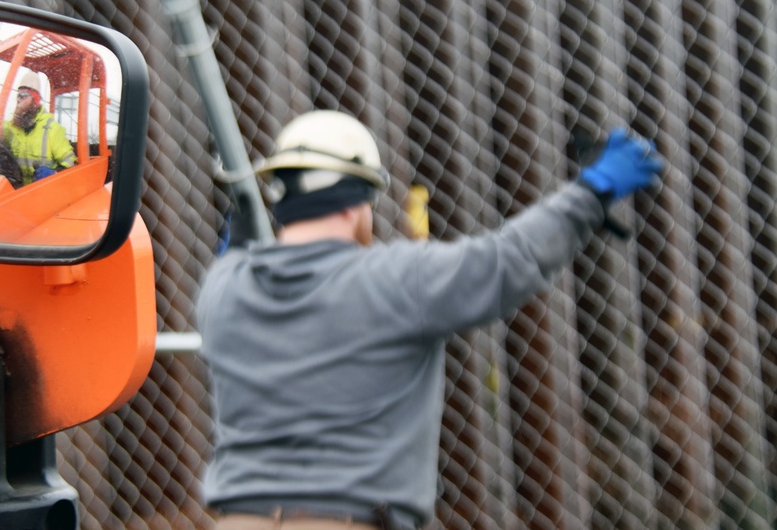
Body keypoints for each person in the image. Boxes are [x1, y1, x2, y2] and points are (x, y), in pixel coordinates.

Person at [194, 110, 664, 530]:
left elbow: (246, 266)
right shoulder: (393, 280)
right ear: (356, 202)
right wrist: (592, 191)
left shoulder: (223, 288)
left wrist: (240, 247)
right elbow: (506, 261)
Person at [0, 70, 77, 185]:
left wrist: (55, 173)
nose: (18, 100)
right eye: (18, 96)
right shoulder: (14, 128)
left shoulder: (52, 129)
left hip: (48, 192)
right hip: (22, 194)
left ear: (35, 101)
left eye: (23, 95)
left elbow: (71, 163)